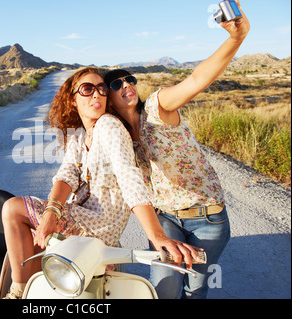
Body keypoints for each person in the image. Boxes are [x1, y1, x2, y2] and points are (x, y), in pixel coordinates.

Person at [1, 67, 200, 299]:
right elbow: (65, 176)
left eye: (101, 89)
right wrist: (50, 214)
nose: (96, 94)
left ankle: (17, 293)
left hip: (99, 226)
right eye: (87, 89)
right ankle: (31, 294)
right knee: (37, 235)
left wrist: (156, 235)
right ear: (73, 99)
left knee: (13, 208)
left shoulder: (109, 126)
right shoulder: (77, 137)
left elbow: (128, 176)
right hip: (81, 217)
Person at [104, 0, 250, 299]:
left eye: (130, 79)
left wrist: (235, 38)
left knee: (195, 290)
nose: (126, 85)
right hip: (165, 218)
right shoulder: (116, 133)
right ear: (109, 98)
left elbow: (197, 79)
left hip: (207, 219)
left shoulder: (158, 108)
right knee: (165, 288)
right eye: (116, 84)